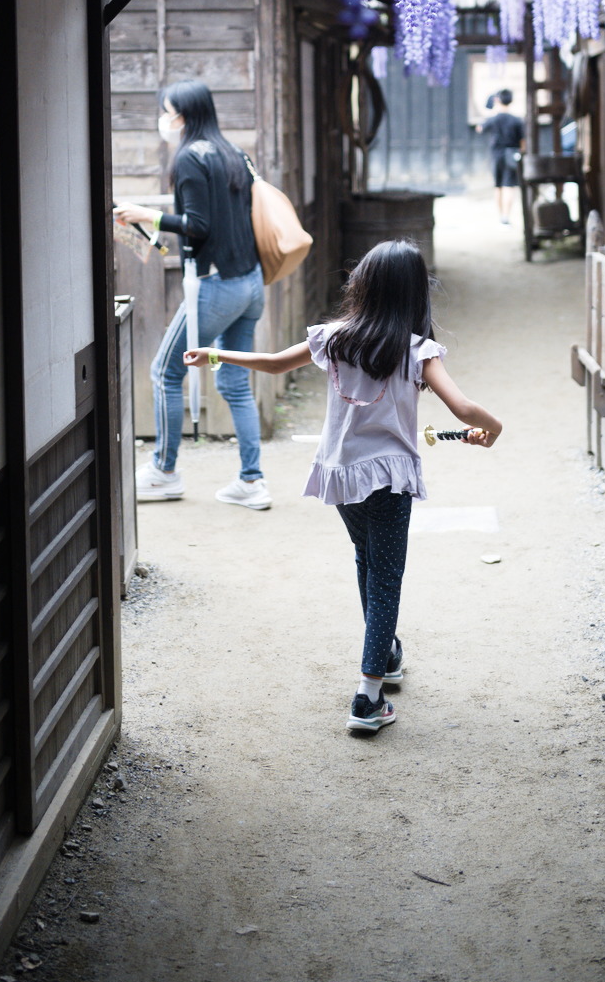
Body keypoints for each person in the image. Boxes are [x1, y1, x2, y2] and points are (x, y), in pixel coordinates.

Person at [184, 240, 501, 733]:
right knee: (386, 577)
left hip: (341, 473)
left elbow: (272, 362)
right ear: (417, 294)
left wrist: (216, 354)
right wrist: (493, 428)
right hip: (389, 477)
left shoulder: (335, 338)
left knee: (368, 561)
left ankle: (387, 652)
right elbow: (463, 410)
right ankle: (368, 698)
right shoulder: (417, 350)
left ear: (364, 286)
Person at [115, 81, 270, 510]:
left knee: (166, 371)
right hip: (251, 283)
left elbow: (198, 226)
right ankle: (252, 481)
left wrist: (148, 215)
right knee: (236, 382)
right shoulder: (233, 152)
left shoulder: (189, 158)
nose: (165, 119)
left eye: (169, 111)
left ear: (185, 115)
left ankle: (164, 472)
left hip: (217, 286)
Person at [479, 89, 525, 224]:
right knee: (509, 186)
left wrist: (490, 112)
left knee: (498, 186)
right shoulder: (516, 120)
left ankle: (500, 216)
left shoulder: (493, 119)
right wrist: (521, 153)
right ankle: (506, 216)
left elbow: (480, 128)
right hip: (512, 154)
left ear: (498, 100)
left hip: (497, 154)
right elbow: (523, 142)